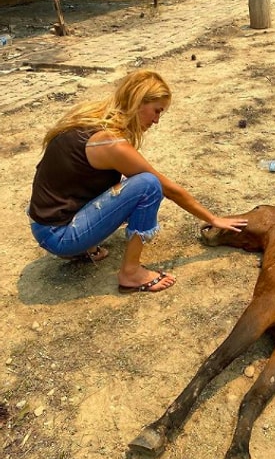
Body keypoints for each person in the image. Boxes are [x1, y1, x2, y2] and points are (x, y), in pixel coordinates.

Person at [28, 69, 247, 294]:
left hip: (44, 225)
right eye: (156, 111)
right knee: (148, 185)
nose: (156, 120)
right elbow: (168, 189)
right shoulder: (110, 143)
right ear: (138, 102)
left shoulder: (91, 119)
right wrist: (212, 218)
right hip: (59, 236)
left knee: (126, 179)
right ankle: (130, 273)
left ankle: (85, 246)